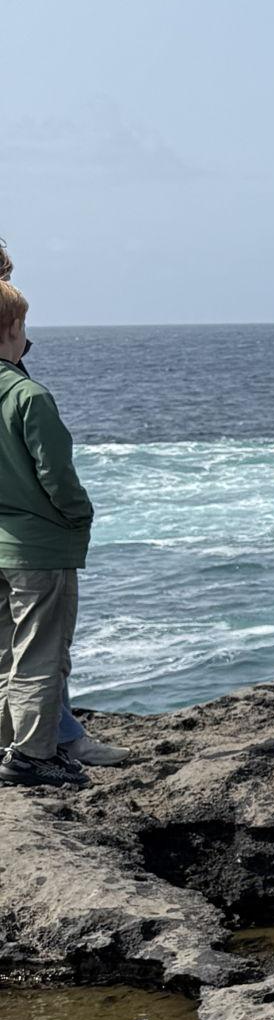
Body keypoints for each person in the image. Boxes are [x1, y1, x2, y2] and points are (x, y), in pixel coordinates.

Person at [0, 279, 94, 790]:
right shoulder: (28, 395)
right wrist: (79, 516)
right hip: (36, 546)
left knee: (4, 652)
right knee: (40, 654)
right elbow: (56, 475)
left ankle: (7, 744)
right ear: (12, 327)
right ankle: (33, 758)